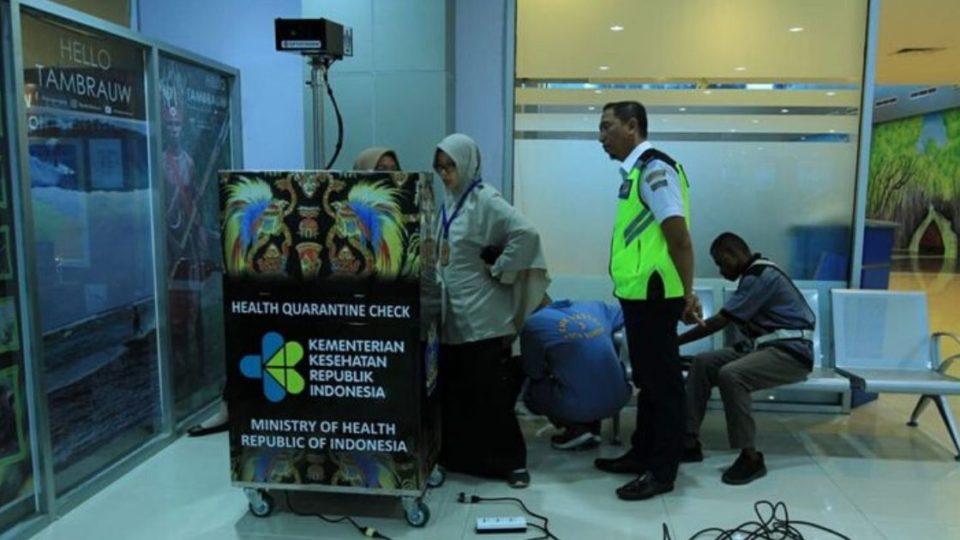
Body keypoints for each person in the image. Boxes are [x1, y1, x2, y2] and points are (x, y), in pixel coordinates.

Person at [188, 148, 406, 437]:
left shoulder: (400, 212)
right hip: (332, 302)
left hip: (379, 305)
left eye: (392, 167)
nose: (386, 174)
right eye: (379, 168)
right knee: (258, 327)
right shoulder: (339, 204)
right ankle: (236, 407)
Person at [593, 101, 701, 501]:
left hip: (657, 297)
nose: (601, 137)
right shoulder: (634, 173)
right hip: (641, 297)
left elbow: (679, 238)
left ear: (632, 126)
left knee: (663, 385)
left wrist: (687, 293)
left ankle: (662, 471)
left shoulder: (655, 169)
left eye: (607, 127)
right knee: (650, 383)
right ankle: (642, 454)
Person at [434, 133, 549, 489]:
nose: (446, 174)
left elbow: (526, 234)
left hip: (482, 314)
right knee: (458, 392)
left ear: (468, 162)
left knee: (490, 394)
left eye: (451, 166)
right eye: (440, 168)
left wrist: (500, 267)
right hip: (453, 312)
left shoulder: (485, 199)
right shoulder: (449, 202)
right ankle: (464, 459)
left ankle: (512, 463)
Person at [680, 233, 815, 485]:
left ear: (737, 253)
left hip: (792, 353)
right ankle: (688, 441)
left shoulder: (759, 277)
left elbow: (720, 321)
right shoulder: (753, 276)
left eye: (722, 262)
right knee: (702, 362)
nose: (721, 270)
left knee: (732, 375)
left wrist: (674, 342)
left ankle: (750, 457)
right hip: (765, 348)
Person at [520, 297, 631, 450]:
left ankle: (576, 429)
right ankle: (591, 426)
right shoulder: (595, 307)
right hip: (620, 398)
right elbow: (630, 314)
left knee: (533, 392)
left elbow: (533, 372)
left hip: (577, 404)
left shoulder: (533, 324)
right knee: (583, 376)